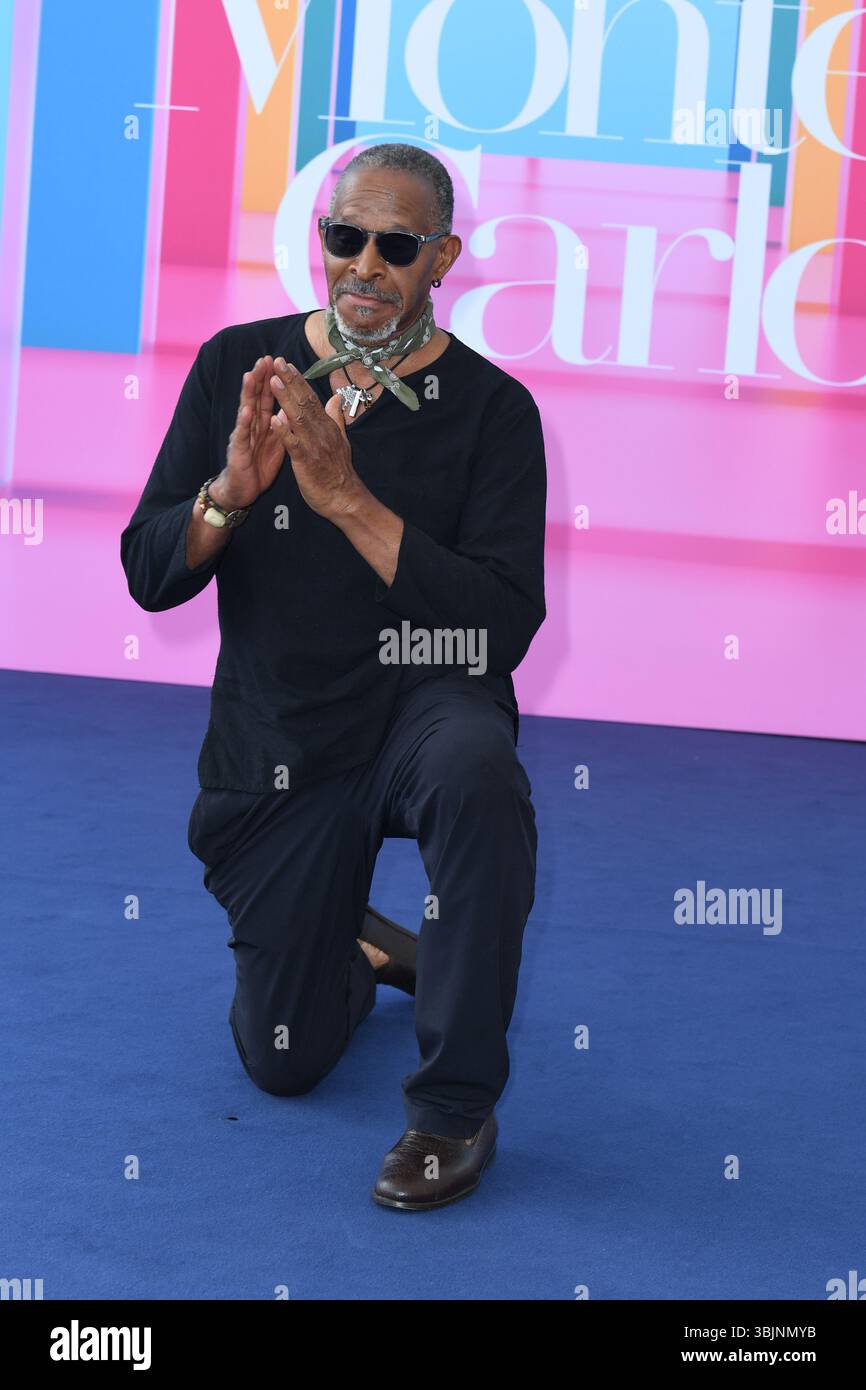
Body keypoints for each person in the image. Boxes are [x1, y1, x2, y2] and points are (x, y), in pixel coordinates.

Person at [120, 143, 547, 1211]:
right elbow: (147, 573)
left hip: (423, 695)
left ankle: (451, 1112)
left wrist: (347, 498)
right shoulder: (239, 367)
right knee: (283, 1060)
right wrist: (228, 491)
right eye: (342, 237)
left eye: (394, 246)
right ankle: (361, 942)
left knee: (476, 774)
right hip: (282, 735)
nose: (363, 265)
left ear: (440, 255)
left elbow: (499, 626)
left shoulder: (492, 410)